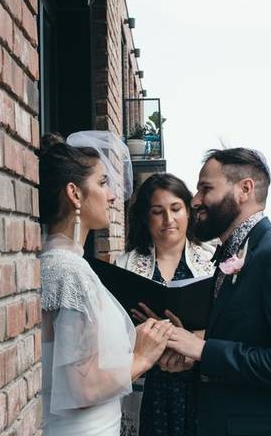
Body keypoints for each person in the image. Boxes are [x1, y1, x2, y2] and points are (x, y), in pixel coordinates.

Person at [161, 148, 271, 436]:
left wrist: (203, 349)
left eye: (205, 188)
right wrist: (195, 362)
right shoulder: (231, 254)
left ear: (244, 189)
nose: (195, 200)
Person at [39, 132, 175, 436]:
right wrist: (142, 357)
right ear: (75, 194)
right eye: (102, 183)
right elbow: (82, 386)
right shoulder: (68, 270)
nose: (112, 194)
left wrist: (137, 338)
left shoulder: (56, 261)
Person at [115, 173, 216, 436]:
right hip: (148, 385)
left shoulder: (213, 264)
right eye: (157, 211)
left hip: (197, 383)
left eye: (175, 209)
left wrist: (189, 338)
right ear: (145, 218)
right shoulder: (125, 267)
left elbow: (231, 326)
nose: (168, 220)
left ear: (188, 211)